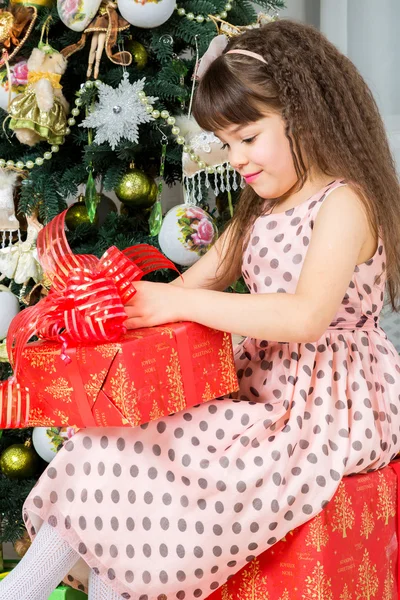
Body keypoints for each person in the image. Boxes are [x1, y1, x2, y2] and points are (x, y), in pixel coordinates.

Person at [2, 18, 400, 600]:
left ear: (304, 114)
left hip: (321, 406)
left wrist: (173, 299)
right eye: (227, 142)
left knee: (147, 467)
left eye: (248, 137)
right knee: (105, 443)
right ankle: (23, 593)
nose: (235, 157)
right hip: (259, 391)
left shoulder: (345, 203)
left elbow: (305, 316)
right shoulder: (259, 211)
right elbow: (193, 284)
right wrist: (115, 310)